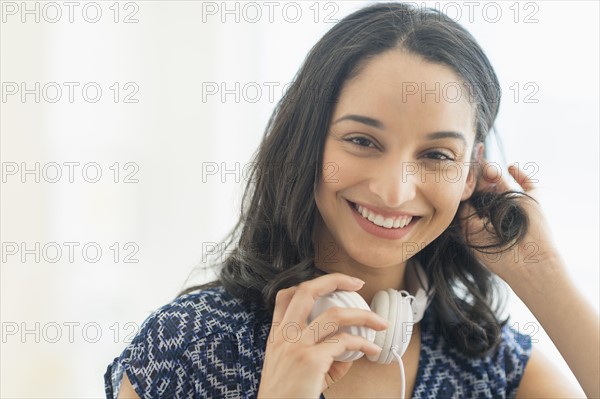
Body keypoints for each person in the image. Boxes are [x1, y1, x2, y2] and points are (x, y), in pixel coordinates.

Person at [104, 3, 599, 398]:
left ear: (471, 173)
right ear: (310, 142)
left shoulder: (491, 366)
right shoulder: (192, 345)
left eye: (436, 154)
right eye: (362, 141)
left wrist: (543, 271)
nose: (394, 191)